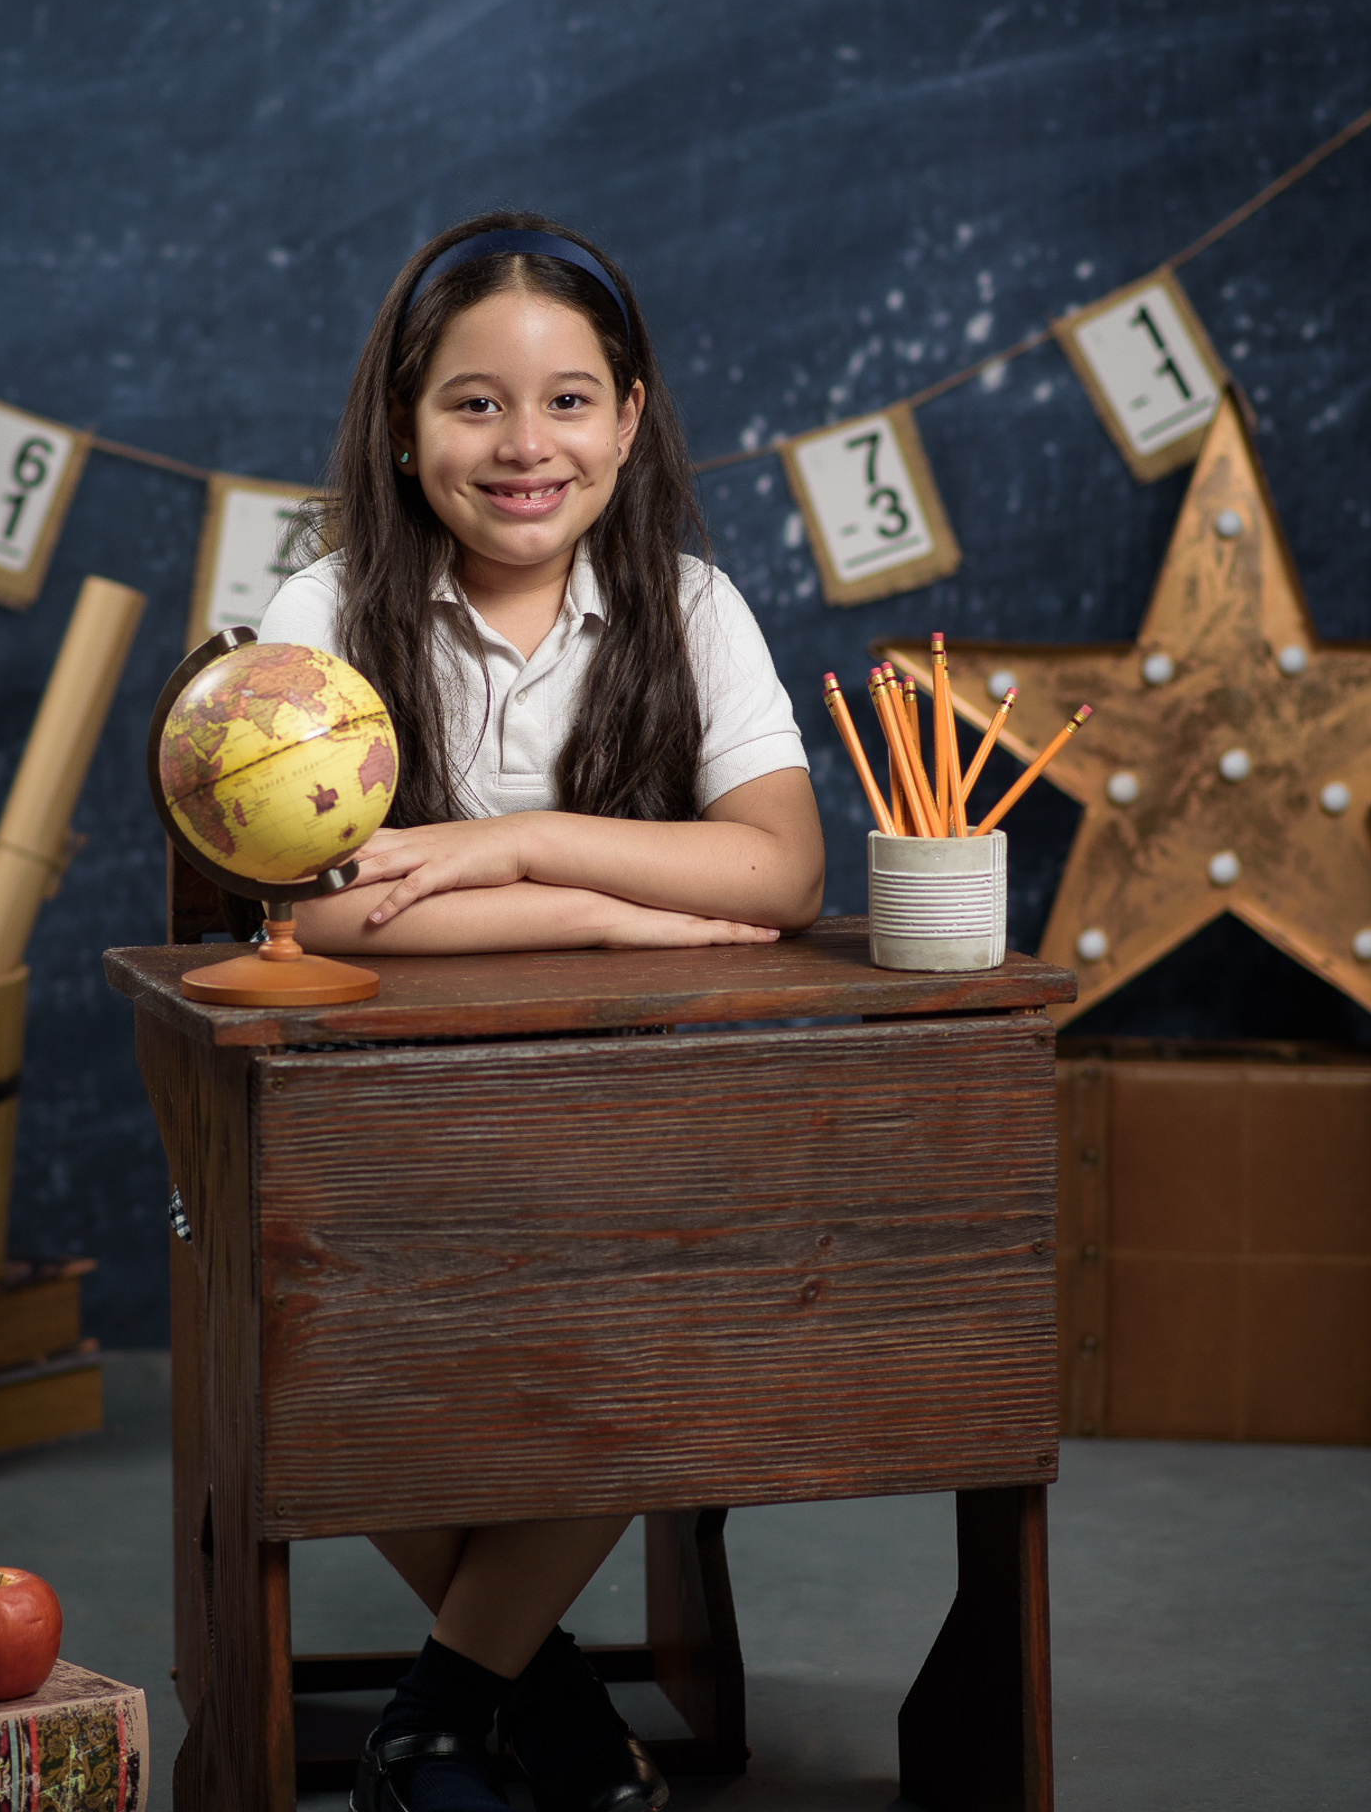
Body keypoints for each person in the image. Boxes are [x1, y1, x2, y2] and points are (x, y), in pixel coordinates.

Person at [258, 211, 825, 1812]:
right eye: (475, 403)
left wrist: (498, 842)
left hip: (637, 1138)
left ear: (632, 419)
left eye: (570, 401)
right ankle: (538, 1702)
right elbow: (314, 907)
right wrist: (610, 905)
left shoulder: (693, 606)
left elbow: (777, 868)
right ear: (401, 422)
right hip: (372, 1144)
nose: (526, 447)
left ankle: (439, 1717)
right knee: (321, 1329)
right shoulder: (326, 610)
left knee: (662, 1334)